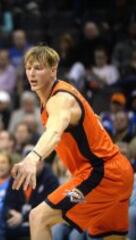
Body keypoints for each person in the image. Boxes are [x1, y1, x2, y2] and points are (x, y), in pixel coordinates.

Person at [11, 45, 134, 240]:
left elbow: (54, 132)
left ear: (53, 70)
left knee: (38, 218)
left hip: (102, 173)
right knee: (112, 237)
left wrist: (33, 158)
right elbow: (94, 122)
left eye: (39, 68)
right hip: (118, 171)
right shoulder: (65, 95)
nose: (32, 73)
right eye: (29, 68)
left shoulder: (60, 99)